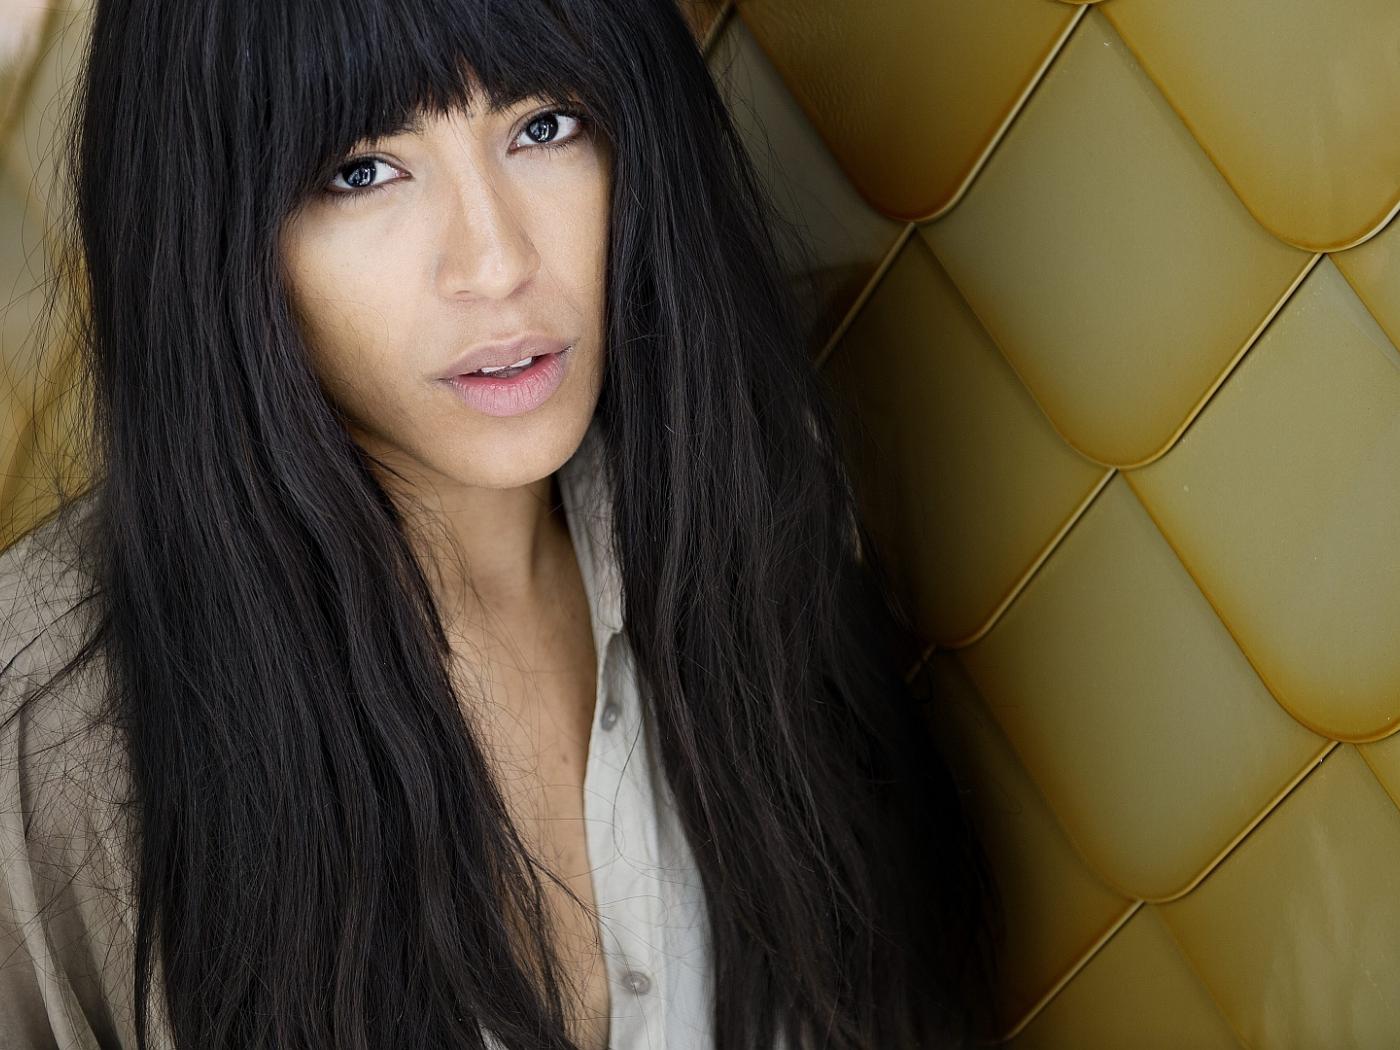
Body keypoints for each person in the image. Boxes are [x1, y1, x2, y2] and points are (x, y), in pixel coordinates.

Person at [0, 0, 1002, 1048]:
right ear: (208, 234)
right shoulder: (51, 735)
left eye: (543, 125)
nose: (495, 262)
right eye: (361, 171)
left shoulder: (761, 496)